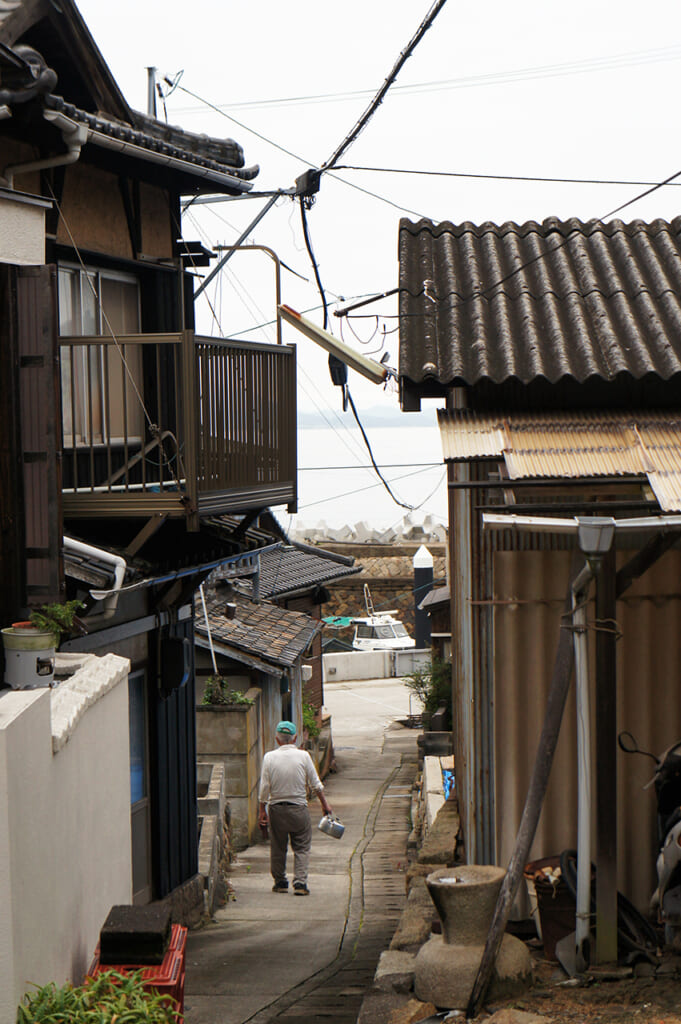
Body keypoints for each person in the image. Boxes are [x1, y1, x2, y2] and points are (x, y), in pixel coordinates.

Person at [258, 719, 332, 895]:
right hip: (298, 809)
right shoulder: (304, 756)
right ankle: (300, 884)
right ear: (295, 738)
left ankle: (280, 882)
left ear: (277, 739)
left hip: (276, 809)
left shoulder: (269, 757)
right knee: (302, 847)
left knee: (278, 846)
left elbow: (264, 787)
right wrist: (325, 805)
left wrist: (262, 810)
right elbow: (316, 784)